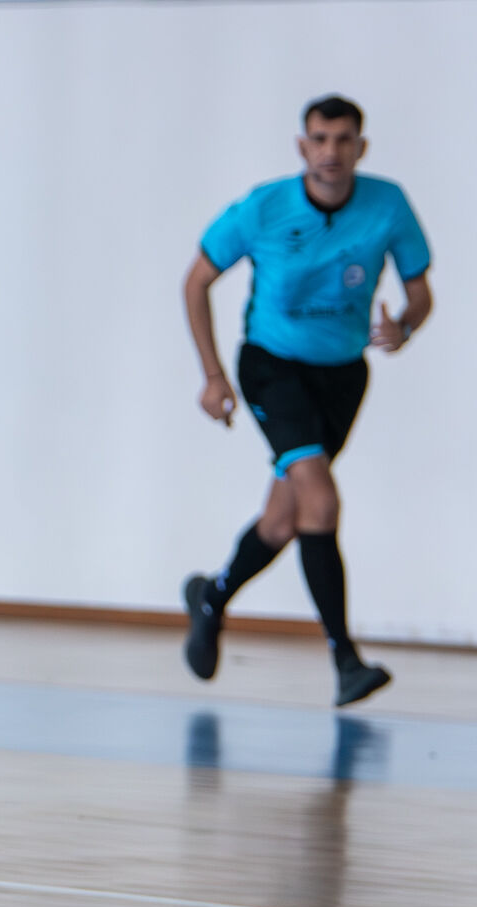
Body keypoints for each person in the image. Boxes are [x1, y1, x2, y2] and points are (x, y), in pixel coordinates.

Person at [181, 95, 431, 706]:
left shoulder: (388, 204)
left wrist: (403, 325)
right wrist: (214, 376)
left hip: (343, 376)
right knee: (320, 500)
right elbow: (196, 281)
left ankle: (210, 597)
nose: (331, 152)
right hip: (272, 368)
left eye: (344, 140)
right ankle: (345, 660)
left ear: (360, 148)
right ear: (302, 146)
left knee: (284, 518)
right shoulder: (264, 208)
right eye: (319, 139)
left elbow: (420, 293)